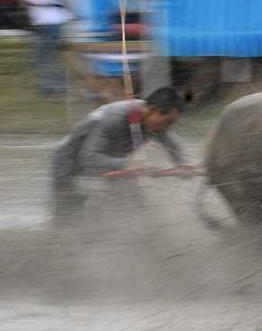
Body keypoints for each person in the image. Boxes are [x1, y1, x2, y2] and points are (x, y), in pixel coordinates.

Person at [50, 87, 191, 226]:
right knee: (70, 216)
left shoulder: (155, 121)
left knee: (136, 205)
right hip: (68, 163)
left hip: (110, 160)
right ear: (152, 110)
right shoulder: (115, 118)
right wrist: (127, 163)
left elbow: (172, 145)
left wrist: (183, 164)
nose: (167, 128)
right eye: (168, 122)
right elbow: (89, 157)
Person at [11, 0, 70, 98]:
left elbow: (22, 4)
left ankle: (50, 89)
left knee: (43, 58)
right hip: (59, 21)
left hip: (43, 23)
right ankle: (60, 86)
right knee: (53, 55)